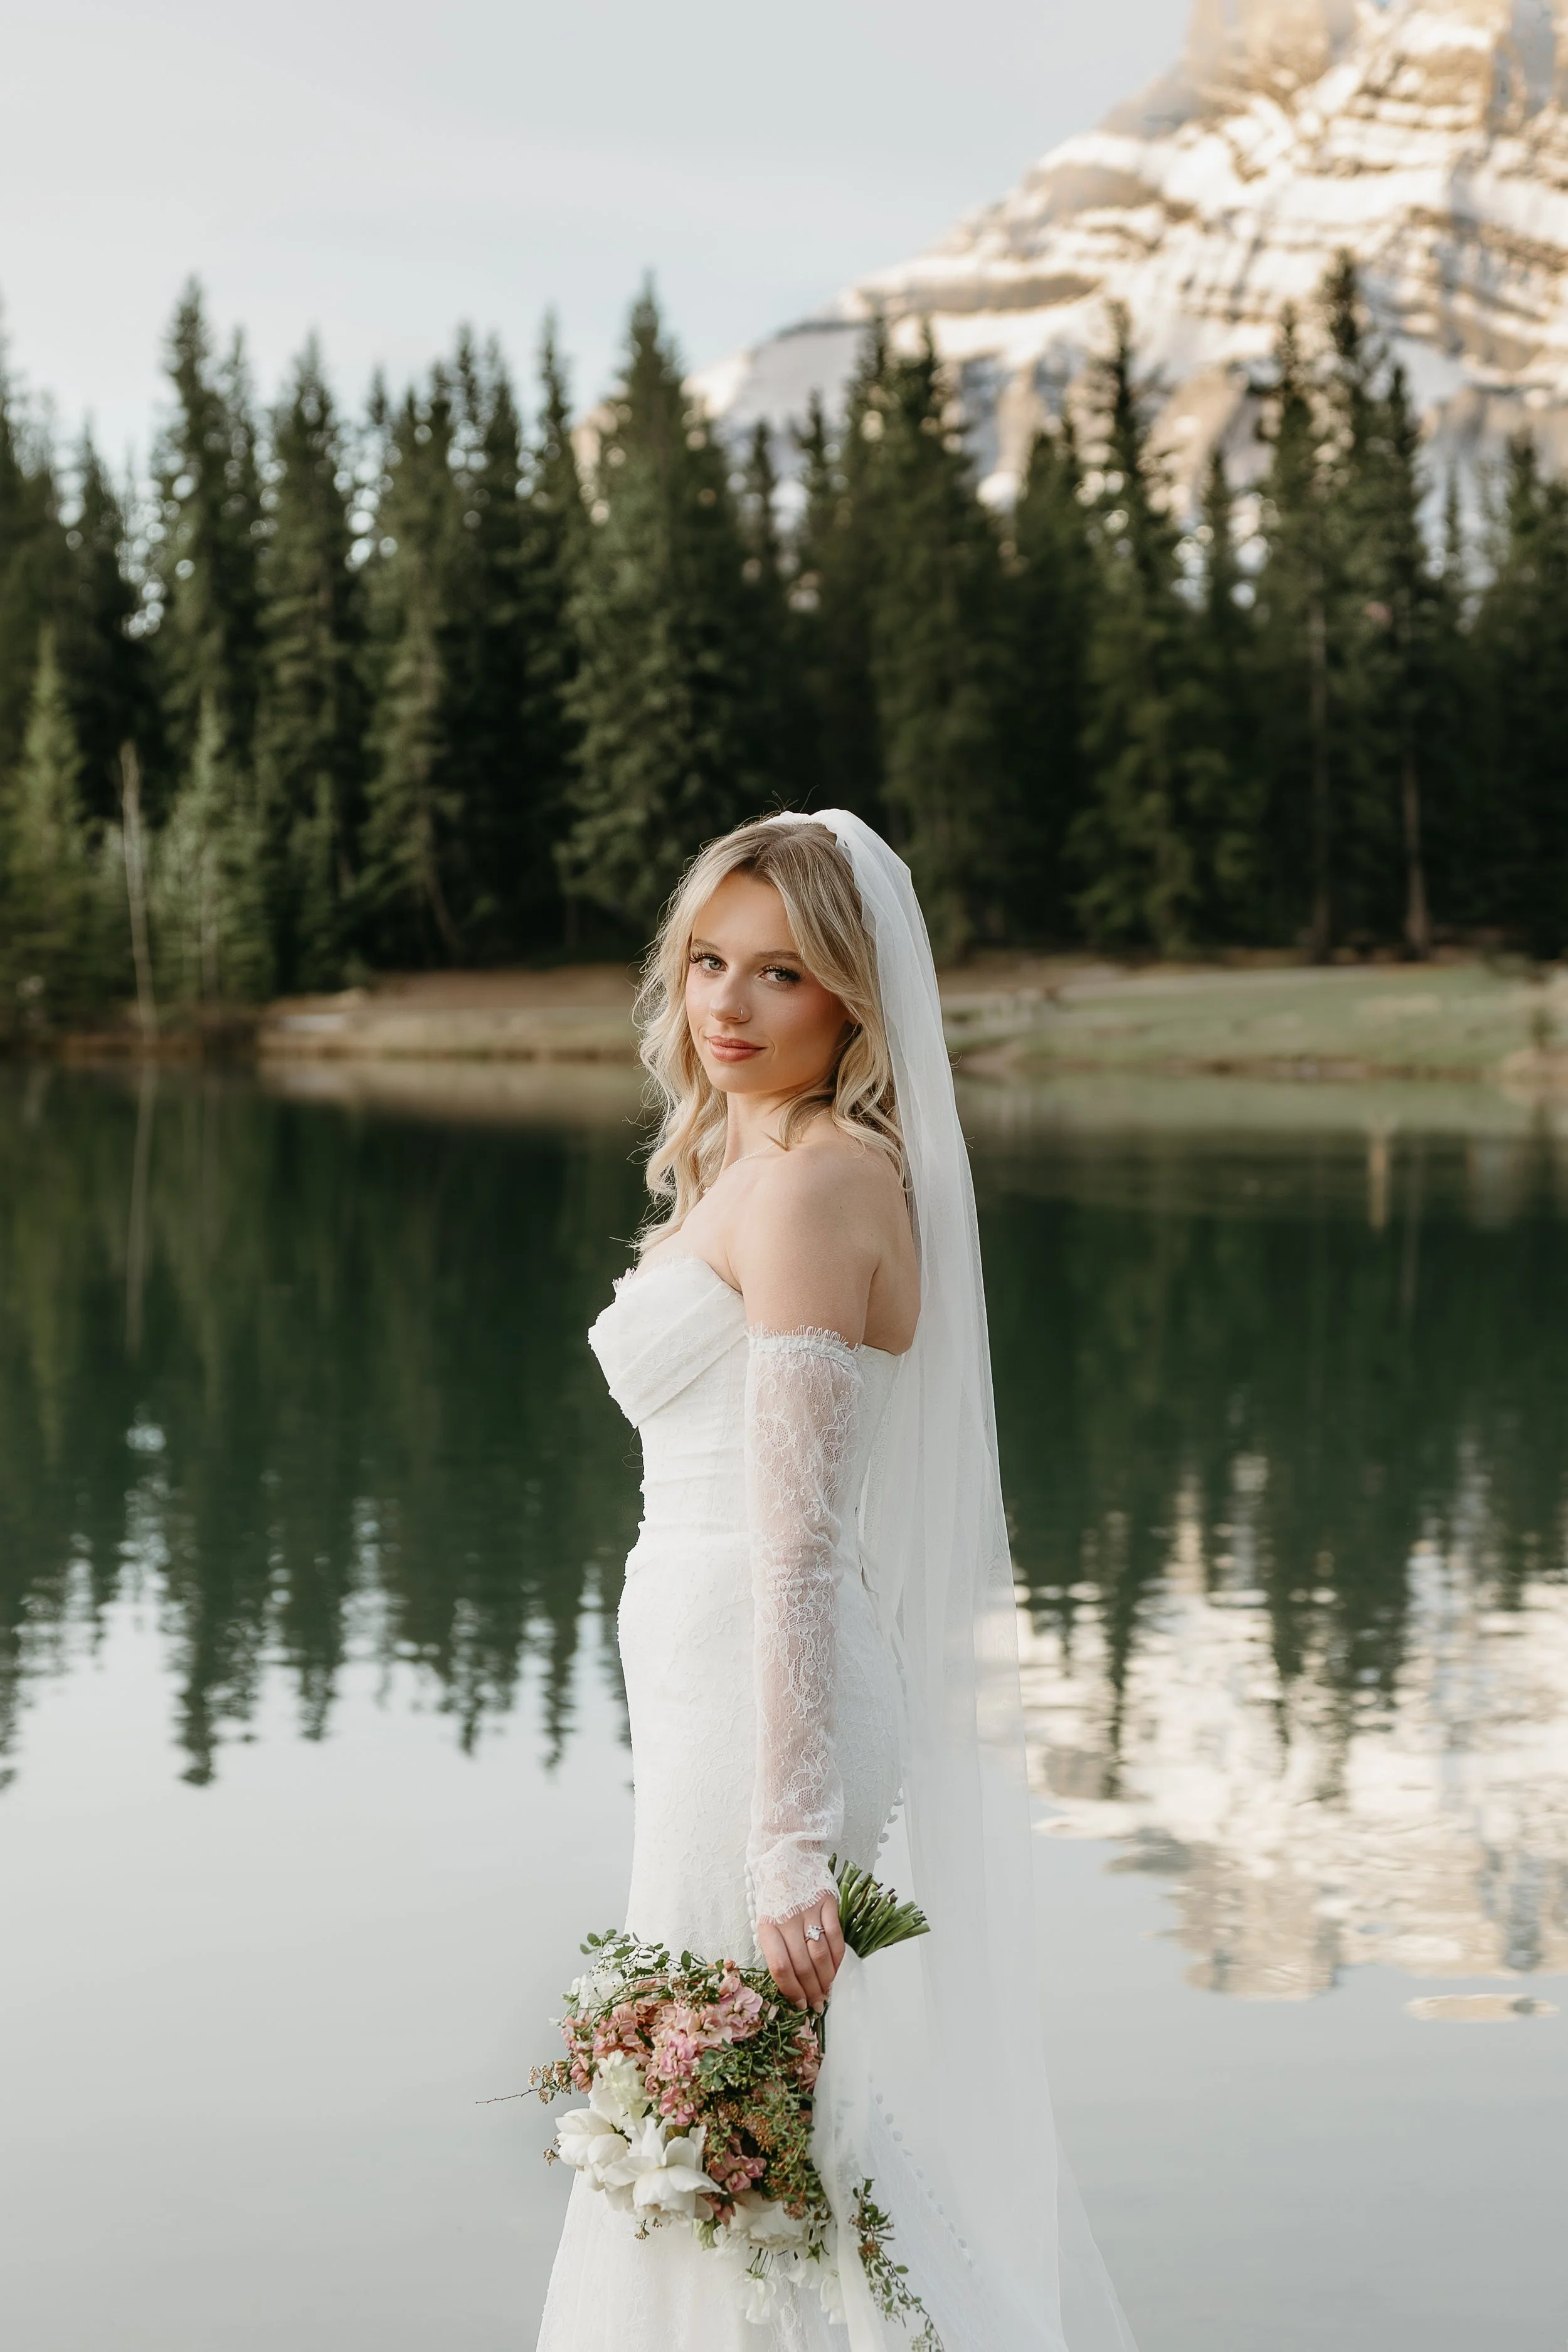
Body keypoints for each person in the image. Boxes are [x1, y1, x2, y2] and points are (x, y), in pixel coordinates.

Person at [536, 813, 1136, 2352]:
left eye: (779, 974)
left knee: (726, 2129)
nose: (724, 1007)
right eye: (706, 964)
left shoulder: (812, 1188)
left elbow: (796, 1539)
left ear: (853, 1001)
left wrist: (790, 1839)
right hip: (710, 1685)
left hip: (764, 1701)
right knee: (732, 2132)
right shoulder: (761, 1155)